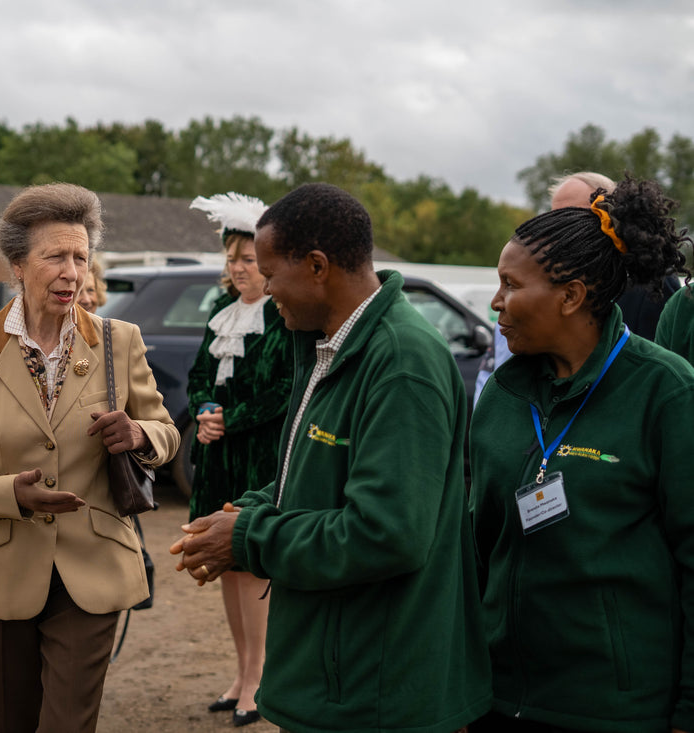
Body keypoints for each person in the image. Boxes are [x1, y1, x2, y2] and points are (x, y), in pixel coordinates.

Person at [171, 183, 491, 733]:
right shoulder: (324, 342)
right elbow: (307, 473)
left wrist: (251, 538)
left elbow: (386, 533)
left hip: (377, 690)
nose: (266, 290)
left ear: (317, 267)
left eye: (272, 274)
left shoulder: (400, 362)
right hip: (338, 678)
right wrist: (243, 510)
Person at [0, 182, 180, 733]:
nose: (73, 273)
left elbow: (168, 433)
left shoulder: (120, 340)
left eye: (81, 257)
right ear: (17, 265)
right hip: (0, 568)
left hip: (93, 567)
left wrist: (139, 435)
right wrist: (9, 494)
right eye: (56, 257)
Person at [469, 176, 694, 732]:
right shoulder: (500, 395)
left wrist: (689, 710)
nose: (496, 303)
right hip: (499, 700)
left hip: (614, 710)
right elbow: (475, 553)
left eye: (510, 285)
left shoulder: (665, 392)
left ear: (570, 296)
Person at [185, 192, 292, 727]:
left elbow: (283, 387)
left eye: (248, 259)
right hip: (219, 457)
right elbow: (200, 375)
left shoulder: (280, 315)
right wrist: (204, 410)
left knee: (249, 564)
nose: (239, 267)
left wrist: (232, 419)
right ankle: (240, 670)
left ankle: (259, 677)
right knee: (223, 564)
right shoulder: (220, 314)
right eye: (232, 258)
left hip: (256, 456)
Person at [475, 171, 679, 404]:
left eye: (578, 215)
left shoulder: (648, 289)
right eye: (555, 216)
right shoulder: (521, 317)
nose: (563, 228)